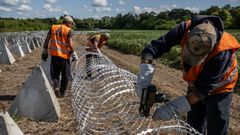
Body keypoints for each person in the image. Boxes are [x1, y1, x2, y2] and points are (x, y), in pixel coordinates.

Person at [136, 15, 240, 135]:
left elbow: (202, 91)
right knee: (194, 123)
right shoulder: (185, 28)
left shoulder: (222, 51)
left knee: (216, 125)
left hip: (221, 87)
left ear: (211, 49)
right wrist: (144, 76)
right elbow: (154, 48)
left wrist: (172, 108)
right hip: (195, 82)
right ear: (188, 35)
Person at [41, 15, 78, 97]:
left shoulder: (53, 27)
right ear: (69, 23)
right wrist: (73, 53)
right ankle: (62, 93)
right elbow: (70, 44)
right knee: (66, 75)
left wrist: (44, 50)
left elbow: (47, 39)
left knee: (55, 73)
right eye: (71, 24)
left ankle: (56, 85)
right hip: (64, 57)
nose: (71, 25)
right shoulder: (69, 30)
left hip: (54, 55)